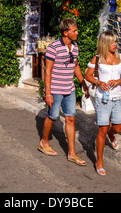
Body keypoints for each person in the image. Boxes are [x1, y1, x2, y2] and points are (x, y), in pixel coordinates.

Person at [38, 17, 89, 166]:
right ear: (65, 32)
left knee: (71, 118)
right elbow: (48, 71)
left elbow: (76, 67)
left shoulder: (75, 47)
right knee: (53, 116)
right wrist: (48, 93)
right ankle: (44, 142)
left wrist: (83, 84)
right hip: (55, 89)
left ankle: (71, 153)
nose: (77, 32)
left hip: (69, 89)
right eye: (74, 30)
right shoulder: (53, 47)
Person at [85, 31, 121, 176]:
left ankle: (112, 135)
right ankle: (99, 161)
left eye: (115, 41)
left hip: (116, 99)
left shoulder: (120, 58)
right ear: (105, 44)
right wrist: (98, 82)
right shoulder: (97, 59)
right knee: (102, 130)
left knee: (117, 128)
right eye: (112, 42)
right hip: (102, 99)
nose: (115, 44)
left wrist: (118, 81)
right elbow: (88, 75)